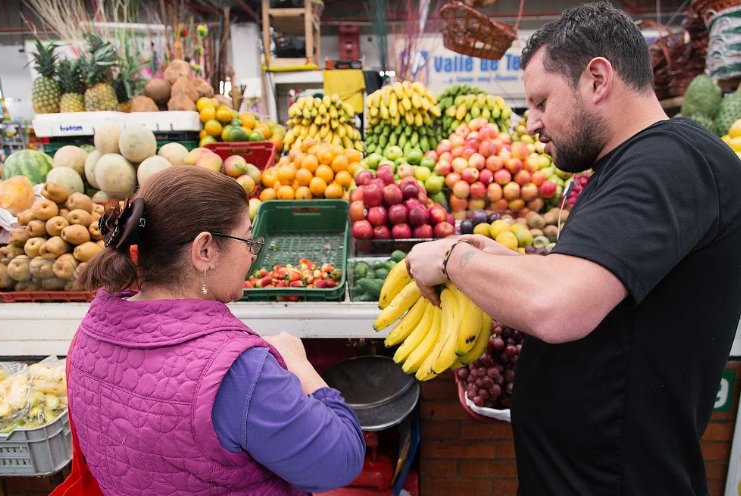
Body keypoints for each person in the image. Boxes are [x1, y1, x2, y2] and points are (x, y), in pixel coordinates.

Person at [406, 3, 741, 495]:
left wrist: (452, 259)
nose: (531, 124)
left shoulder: (667, 164)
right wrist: (509, 264)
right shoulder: (641, 164)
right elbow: (607, 286)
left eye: (541, 101)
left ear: (597, 79)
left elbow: (558, 306)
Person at [69, 166, 365, 495]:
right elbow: (341, 462)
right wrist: (300, 366)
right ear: (204, 251)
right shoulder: (239, 371)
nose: (253, 254)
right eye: (248, 240)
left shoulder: (90, 332)